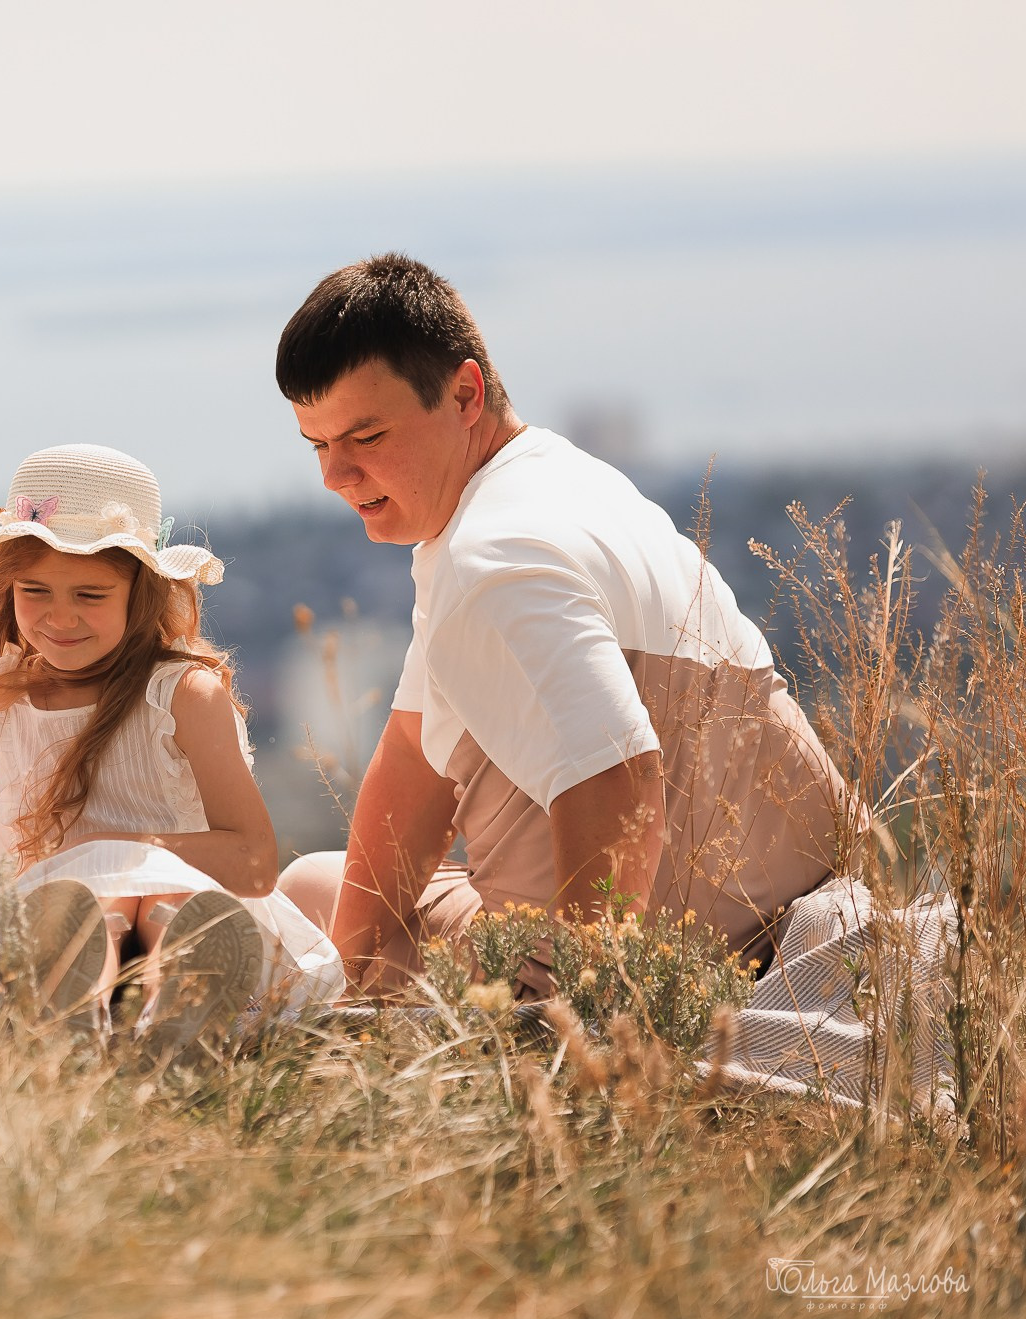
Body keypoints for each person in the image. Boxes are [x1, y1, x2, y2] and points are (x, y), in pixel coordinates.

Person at [269, 254, 852, 998]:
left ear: (464, 394)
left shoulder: (492, 558)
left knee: (305, 891)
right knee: (336, 899)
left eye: (367, 436)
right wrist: (343, 987)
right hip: (810, 934)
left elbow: (619, 781)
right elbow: (413, 760)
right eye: (319, 445)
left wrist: (581, 1031)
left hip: (689, 979)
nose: (335, 476)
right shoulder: (554, 488)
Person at [0, 444, 345, 1044]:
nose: (59, 617)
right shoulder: (2, 700)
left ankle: (174, 1009)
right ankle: (95, 1019)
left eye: (90, 595)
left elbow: (253, 862)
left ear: (140, 594)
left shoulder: (181, 695)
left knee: (150, 897)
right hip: (61, 928)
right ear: (6, 588)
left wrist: (122, 850)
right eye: (34, 591)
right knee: (89, 907)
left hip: (184, 911)